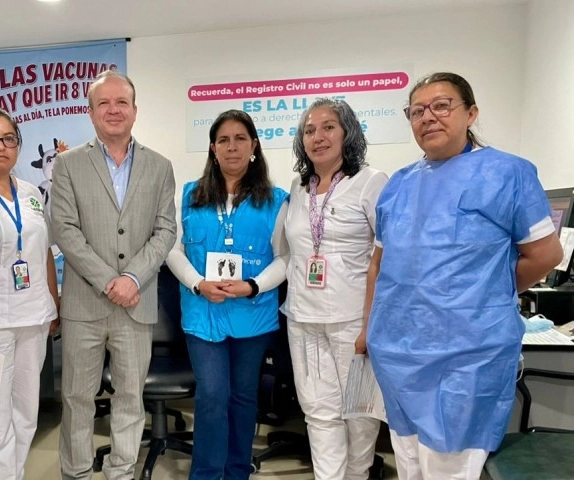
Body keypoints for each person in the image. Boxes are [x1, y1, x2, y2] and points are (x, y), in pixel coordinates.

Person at [366, 72, 564, 480]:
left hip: (467, 356)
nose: (428, 117)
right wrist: (371, 331)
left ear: (470, 113)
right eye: (417, 111)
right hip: (399, 354)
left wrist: (481, 296)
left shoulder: (507, 173)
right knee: (409, 464)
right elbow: (382, 264)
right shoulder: (399, 185)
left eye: (441, 105)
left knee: (450, 467)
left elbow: (546, 254)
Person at [50, 70, 177, 480]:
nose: (113, 110)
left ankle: (121, 471)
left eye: (121, 102)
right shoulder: (68, 165)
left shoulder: (160, 166)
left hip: (136, 304)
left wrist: (133, 278)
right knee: (76, 397)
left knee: (129, 397)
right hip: (84, 304)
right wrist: (110, 280)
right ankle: (78, 472)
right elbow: (65, 230)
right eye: (103, 103)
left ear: (135, 110)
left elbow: (166, 230)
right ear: (90, 113)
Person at [166, 109, 288, 479]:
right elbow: (173, 249)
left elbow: (285, 257)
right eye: (223, 140)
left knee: (243, 398)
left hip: (252, 314)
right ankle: (206, 474)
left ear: (254, 146)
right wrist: (197, 283)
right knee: (213, 396)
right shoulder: (188, 195)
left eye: (240, 139)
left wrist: (252, 286)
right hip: (204, 313)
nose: (231, 146)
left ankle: (237, 471)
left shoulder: (277, 199)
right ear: (212, 148)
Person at [284, 98, 388, 480]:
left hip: (352, 322)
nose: (318, 137)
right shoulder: (298, 187)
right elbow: (291, 253)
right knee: (318, 413)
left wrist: (370, 325)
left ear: (348, 132)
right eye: (309, 130)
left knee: (358, 415)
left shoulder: (371, 182)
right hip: (303, 319)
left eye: (328, 127)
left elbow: (388, 256)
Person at [0, 106, 60, 480]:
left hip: (34, 318)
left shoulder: (32, 192)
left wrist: (53, 303)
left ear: (18, 146)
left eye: (8, 139)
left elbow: (45, 252)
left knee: (25, 415)